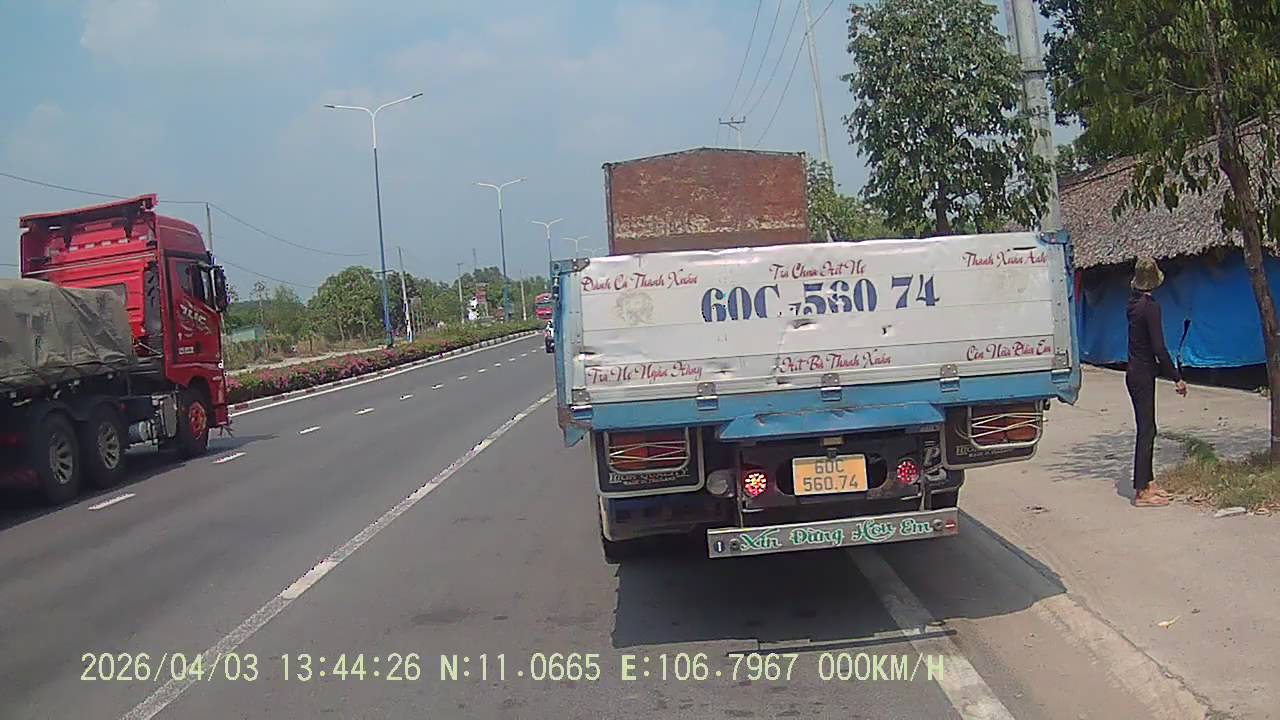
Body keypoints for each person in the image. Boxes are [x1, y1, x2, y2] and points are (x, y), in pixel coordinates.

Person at [1126, 257, 1188, 507]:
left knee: (1148, 427)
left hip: (1135, 372)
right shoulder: (1150, 307)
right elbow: (1159, 347)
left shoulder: (1132, 305)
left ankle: (1148, 481)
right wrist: (1176, 377)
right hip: (1142, 374)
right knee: (1147, 430)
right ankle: (1141, 491)